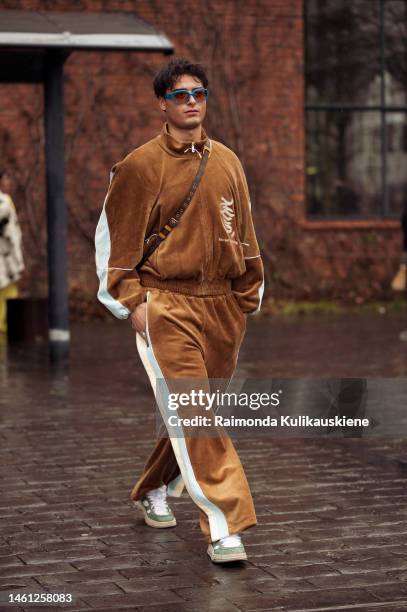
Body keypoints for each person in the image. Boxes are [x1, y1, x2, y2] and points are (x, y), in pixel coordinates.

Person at [95, 58, 264, 563]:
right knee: (197, 414)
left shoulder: (229, 161)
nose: (191, 101)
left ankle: (152, 488)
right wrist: (132, 304)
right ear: (161, 105)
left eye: (199, 93)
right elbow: (114, 245)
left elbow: (247, 236)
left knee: (196, 412)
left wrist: (246, 297)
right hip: (165, 305)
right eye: (179, 94)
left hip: (223, 308)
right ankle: (225, 523)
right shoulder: (141, 165)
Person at [0, 170, 24, 333]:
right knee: (7, 295)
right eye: (6, 178)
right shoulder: (4, 202)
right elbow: (11, 235)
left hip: (6, 257)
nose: (8, 181)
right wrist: (17, 259)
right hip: (5, 257)